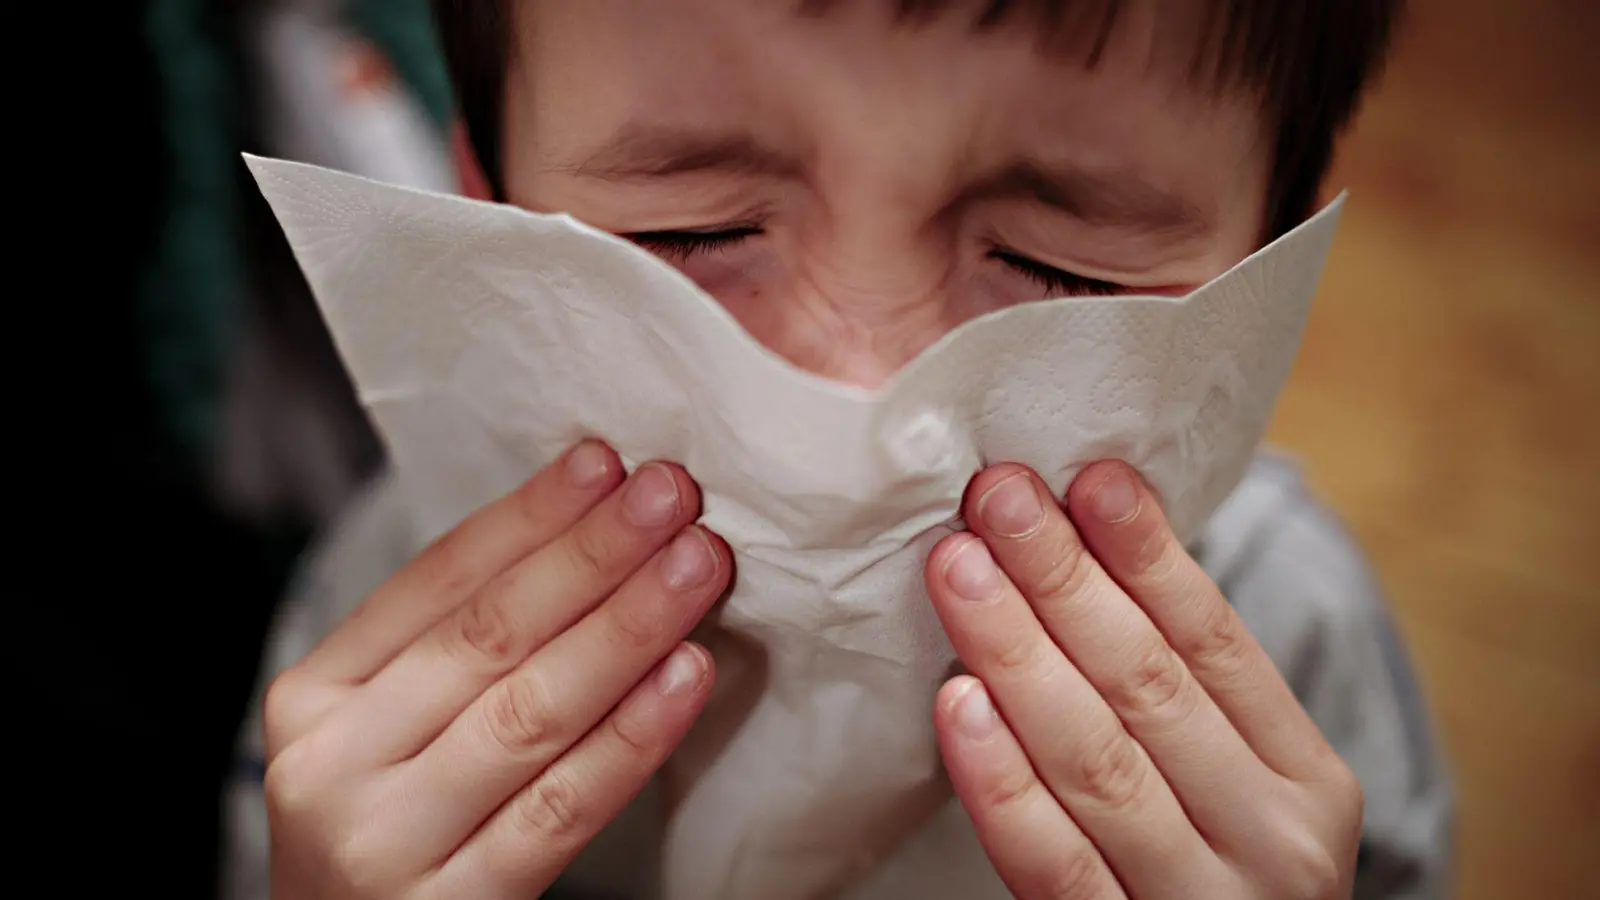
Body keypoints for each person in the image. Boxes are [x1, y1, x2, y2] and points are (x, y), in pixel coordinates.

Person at [224, 2, 1454, 898]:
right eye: (693, 232)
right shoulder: (391, 614)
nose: (864, 403)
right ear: (487, 215)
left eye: (1055, 268)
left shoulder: (1295, 644)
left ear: (1268, 276)